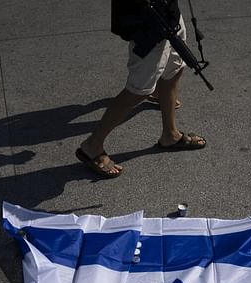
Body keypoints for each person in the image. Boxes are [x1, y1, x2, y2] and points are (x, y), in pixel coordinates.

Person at [75, 0, 207, 178]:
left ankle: (170, 135)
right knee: (138, 91)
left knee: (174, 70)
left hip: (170, 13)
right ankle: (92, 145)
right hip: (149, 22)